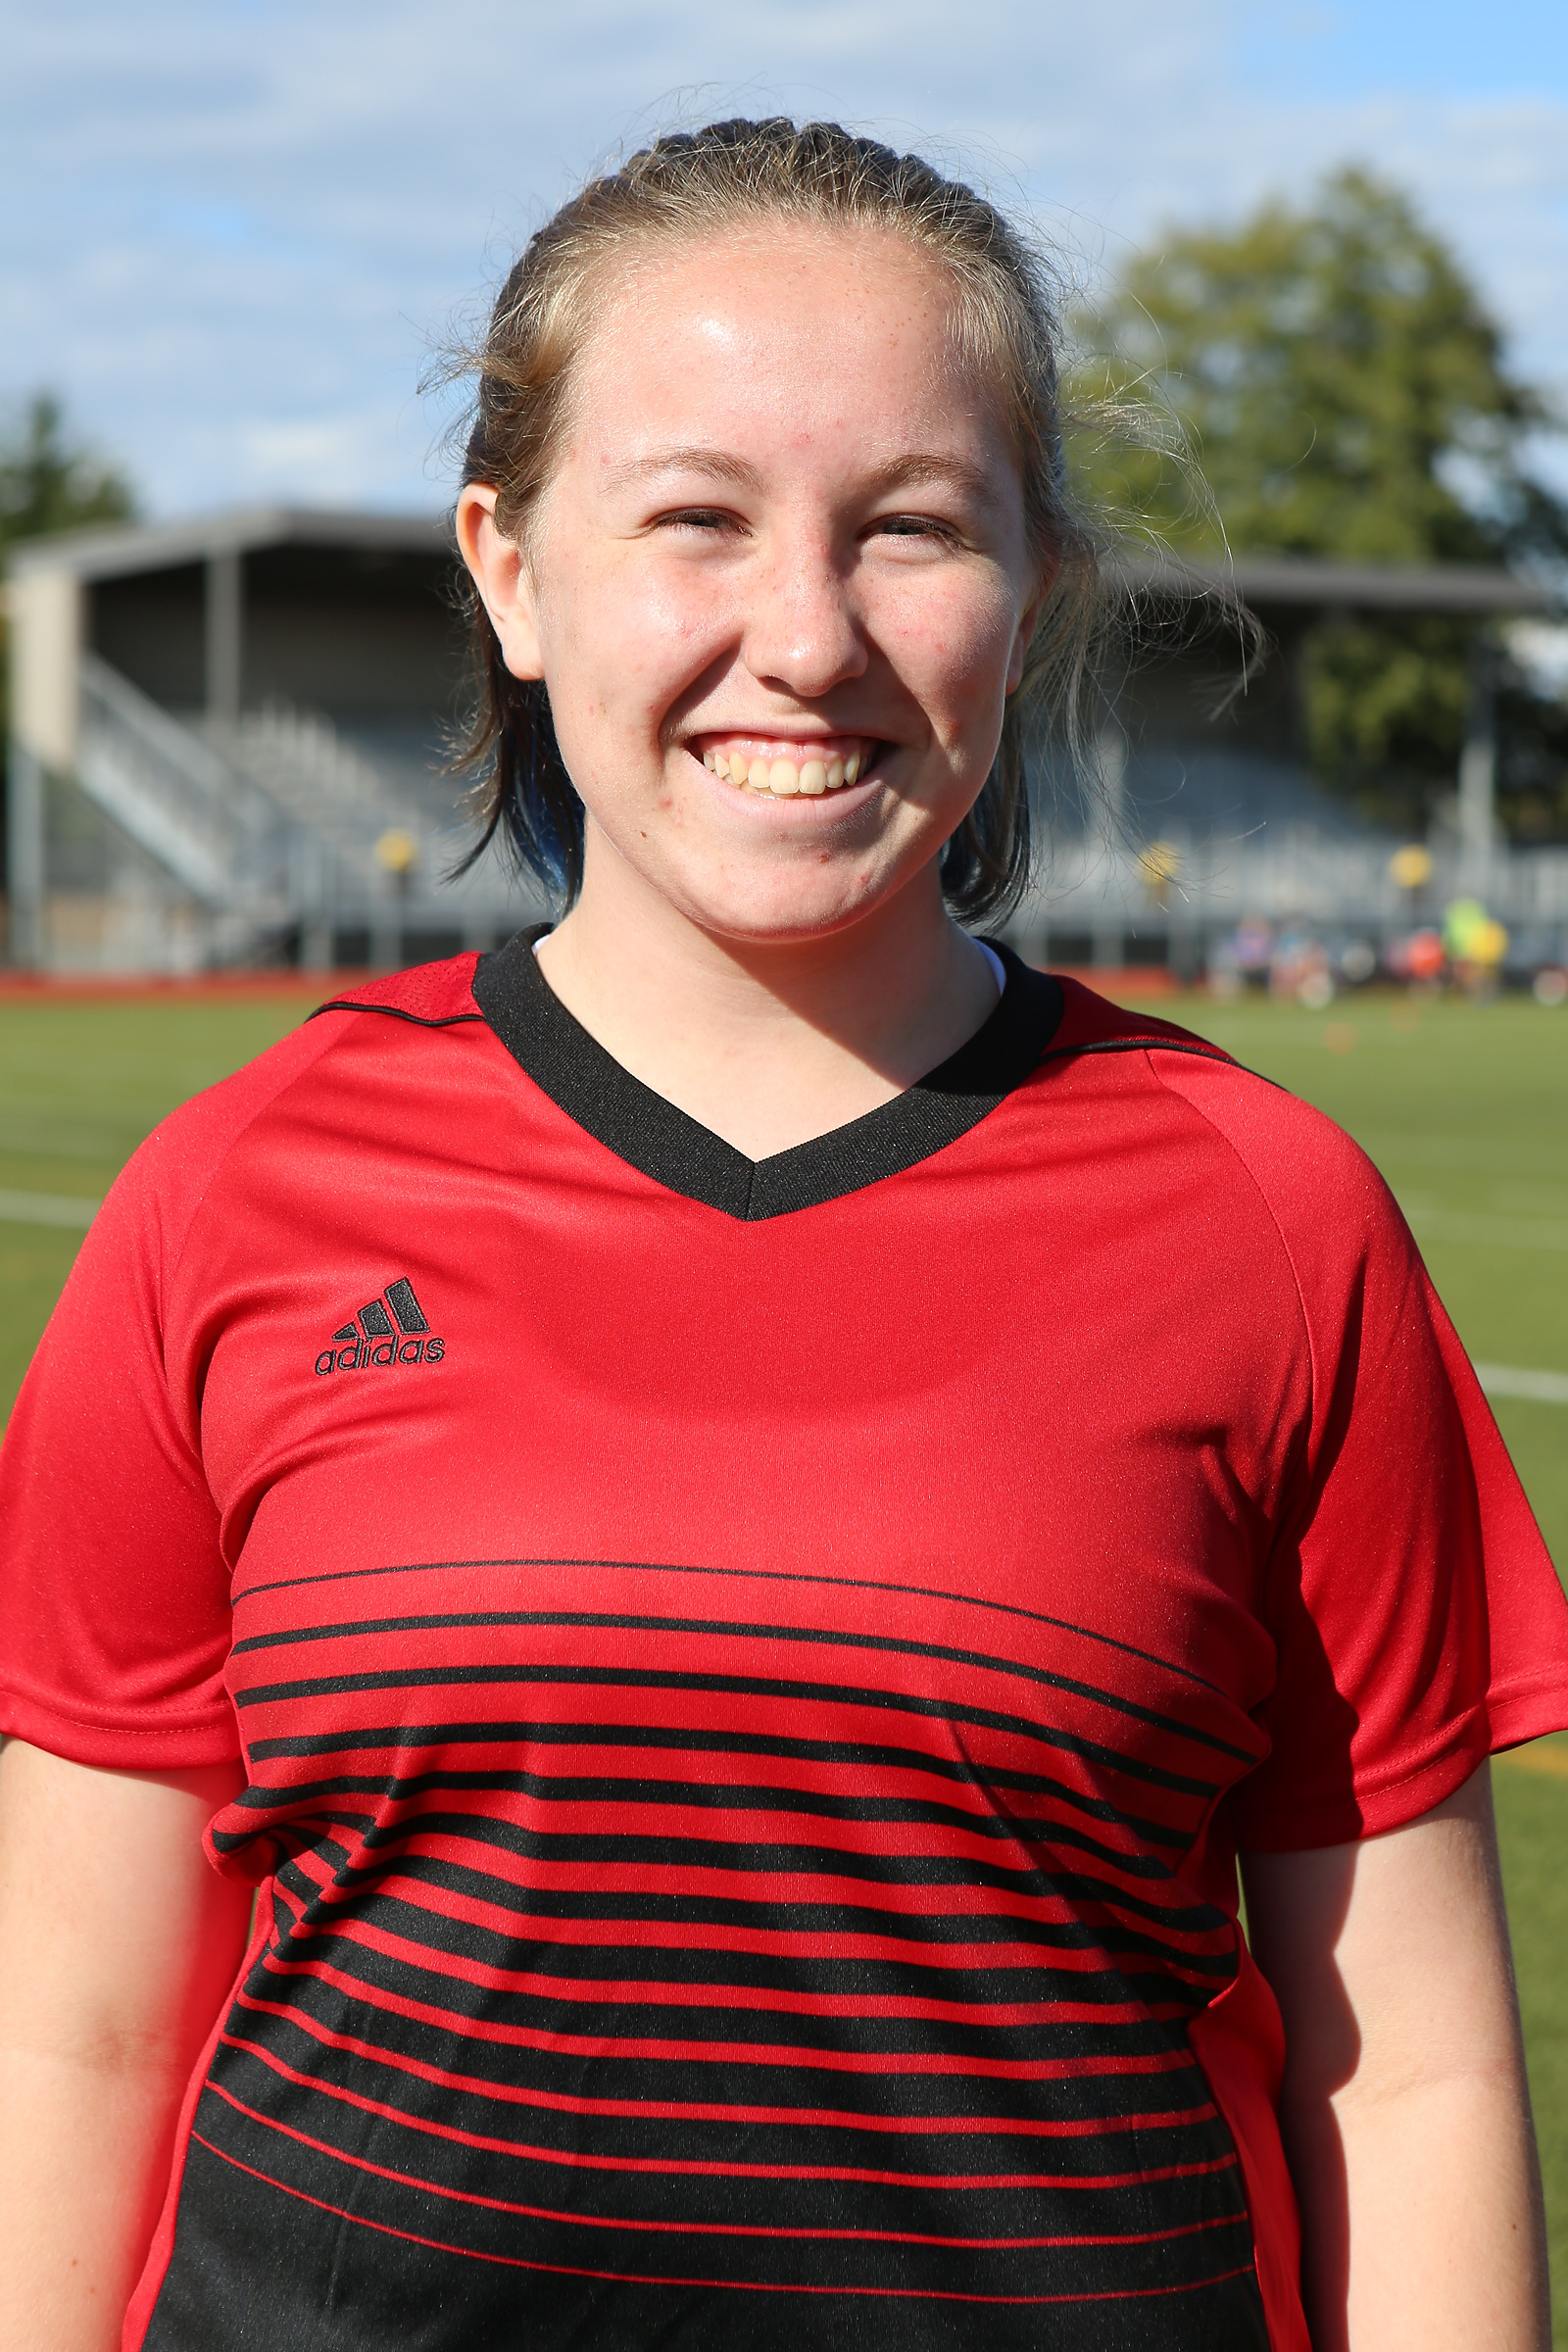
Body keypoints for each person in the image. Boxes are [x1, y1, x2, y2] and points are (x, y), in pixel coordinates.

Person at [0, 117, 1564, 2352]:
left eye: (910, 526)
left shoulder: (1271, 1223)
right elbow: (72, 2036)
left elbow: (1401, 2077)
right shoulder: (231, 1194)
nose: (806, 639)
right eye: (695, 520)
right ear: (510, 571)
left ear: (1031, 592)